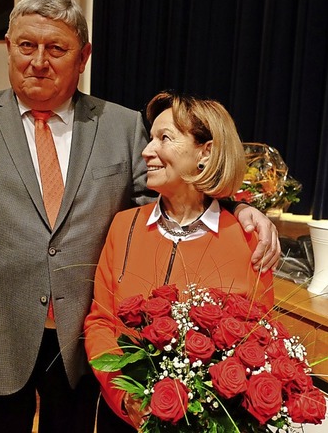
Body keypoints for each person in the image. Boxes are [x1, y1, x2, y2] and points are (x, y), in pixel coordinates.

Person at [0, 0, 280, 432]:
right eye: (26, 46)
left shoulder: (121, 125)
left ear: (83, 56)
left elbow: (169, 201)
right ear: (8, 47)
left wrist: (236, 207)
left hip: (84, 342)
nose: (38, 62)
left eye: (56, 49)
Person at [84, 91, 275, 431]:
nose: (146, 151)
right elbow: (100, 323)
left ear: (206, 152)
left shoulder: (249, 240)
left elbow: (261, 340)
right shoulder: (123, 226)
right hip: (125, 419)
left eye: (165, 138)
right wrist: (124, 396)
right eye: (150, 137)